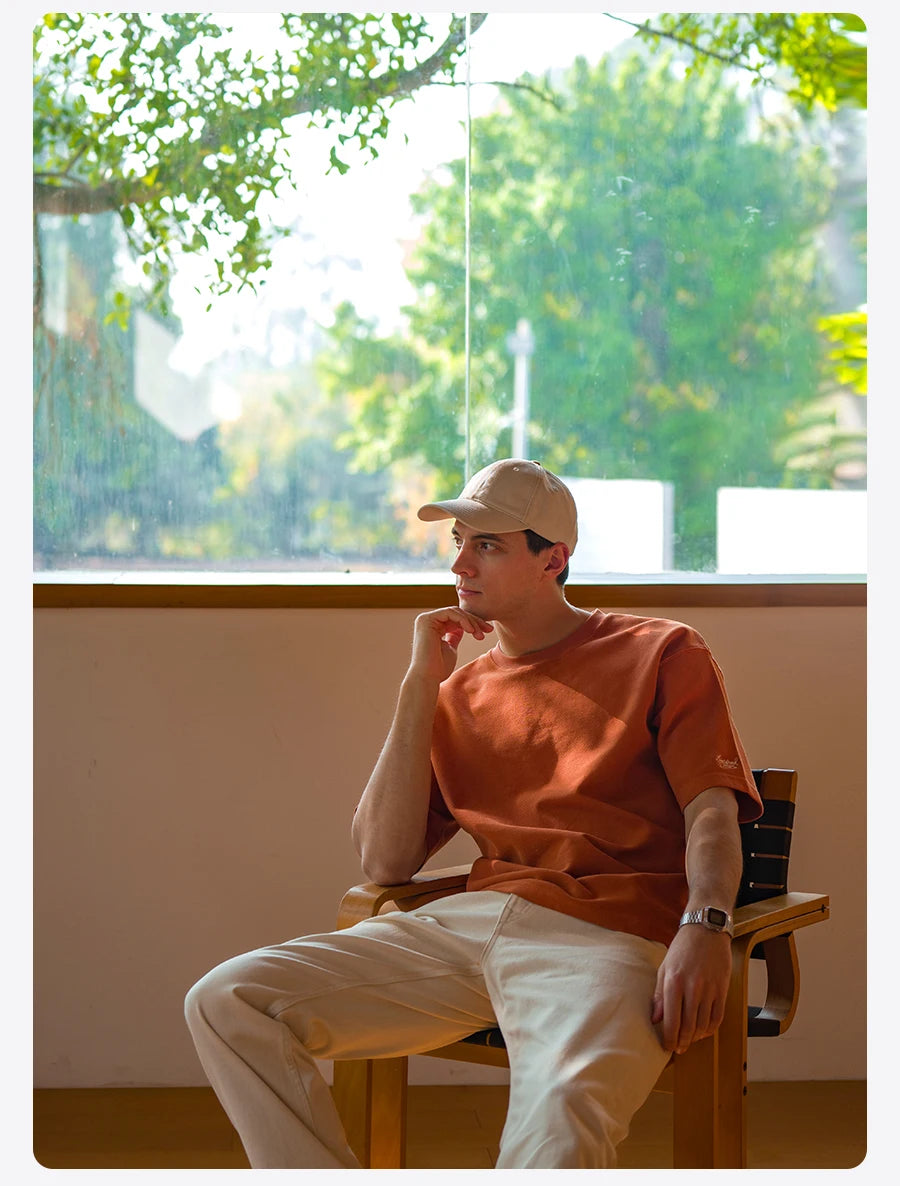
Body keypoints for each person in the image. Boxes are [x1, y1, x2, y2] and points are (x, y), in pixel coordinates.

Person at [185, 457, 762, 1169]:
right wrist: (420, 684)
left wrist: (707, 924)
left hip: (608, 938)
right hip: (463, 928)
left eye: (486, 544)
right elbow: (385, 862)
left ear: (554, 559)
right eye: (458, 540)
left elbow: (711, 810)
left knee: (558, 1129)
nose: (460, 563)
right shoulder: (457, 696)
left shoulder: (662, 651)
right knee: (229, 999)